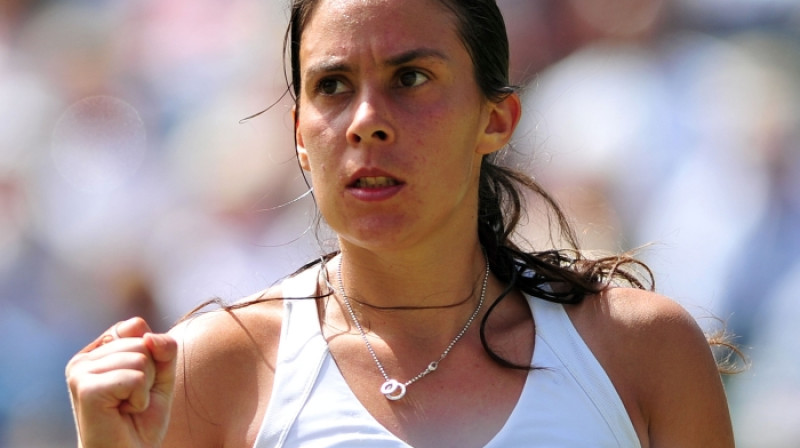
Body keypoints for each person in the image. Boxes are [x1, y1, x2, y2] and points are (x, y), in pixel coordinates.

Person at [65, 0, 735, 446]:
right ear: (299, 135)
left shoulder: (643, 351)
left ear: (495, 119)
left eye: (410, 77)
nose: (366, 120)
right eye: (332, 86)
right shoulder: (215, 366)